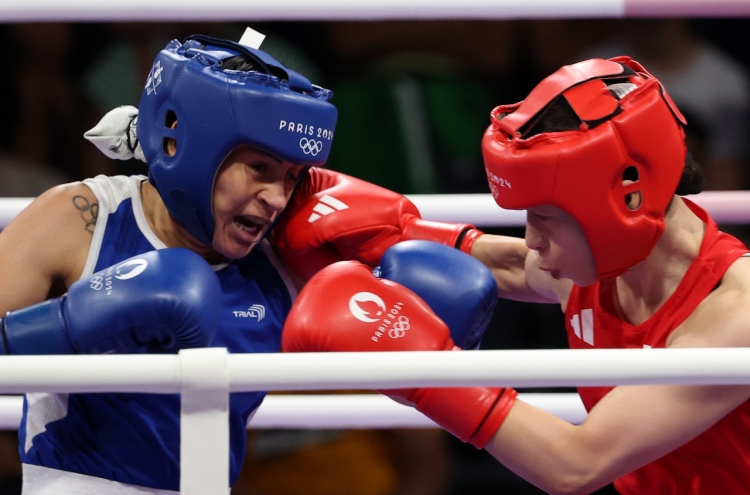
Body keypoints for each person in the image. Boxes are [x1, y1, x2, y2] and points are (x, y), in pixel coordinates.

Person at [0, 31, 490, 494]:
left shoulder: (283, 256)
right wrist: (66, 327)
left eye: (293, 177)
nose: (276, 197)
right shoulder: (84, 218)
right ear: (188, 147)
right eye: (259, 169)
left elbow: (493, 280)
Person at [281, 56, 750, 495]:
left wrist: (430, 372)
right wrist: (394, 233)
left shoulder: (732, 317)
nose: (531, 239)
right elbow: (510, 263)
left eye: (546, 216)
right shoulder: (603, 263)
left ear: (626, 200)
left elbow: (577, 465)